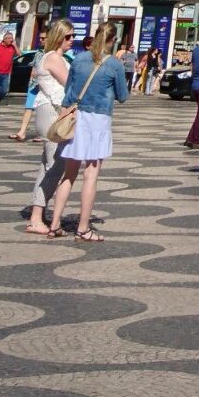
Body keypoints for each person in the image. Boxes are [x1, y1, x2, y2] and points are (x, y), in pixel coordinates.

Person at [43, 27, 129, 243]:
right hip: (98, 120)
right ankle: (83, 228)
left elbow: (69, 91)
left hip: (76, 118)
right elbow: (123, 96)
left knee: (69, 174)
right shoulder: (113, 64)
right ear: (113, 40)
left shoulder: (79, 59)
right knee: (90, 175)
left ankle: (54, 224)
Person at [23, 21, 72, 235]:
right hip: (53, 113)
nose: (72, 40)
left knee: (47, 166)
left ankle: (38, 213)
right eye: (69, 36)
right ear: (59, 36)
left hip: (48, 111)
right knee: (56, 166)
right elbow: (70, 85)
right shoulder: (53, 57)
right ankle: (35, 218)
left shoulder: (50, 56)